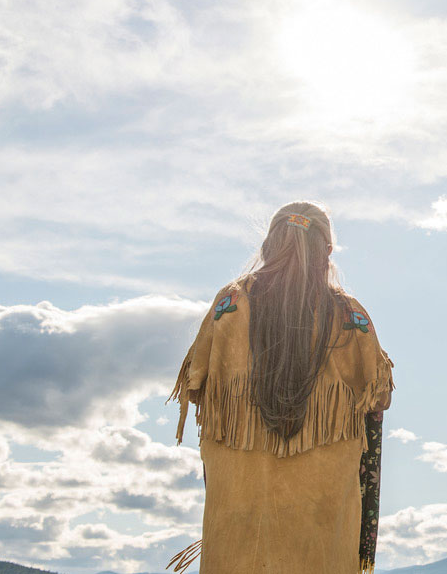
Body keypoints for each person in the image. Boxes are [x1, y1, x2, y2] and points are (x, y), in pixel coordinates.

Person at [167, 201, 394, 574]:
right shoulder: (350, 318)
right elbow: (378, 398)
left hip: (237, 518)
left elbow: (196, 384)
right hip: (321, 526)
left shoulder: (230, 306)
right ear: (327, 253)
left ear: (268, 246)